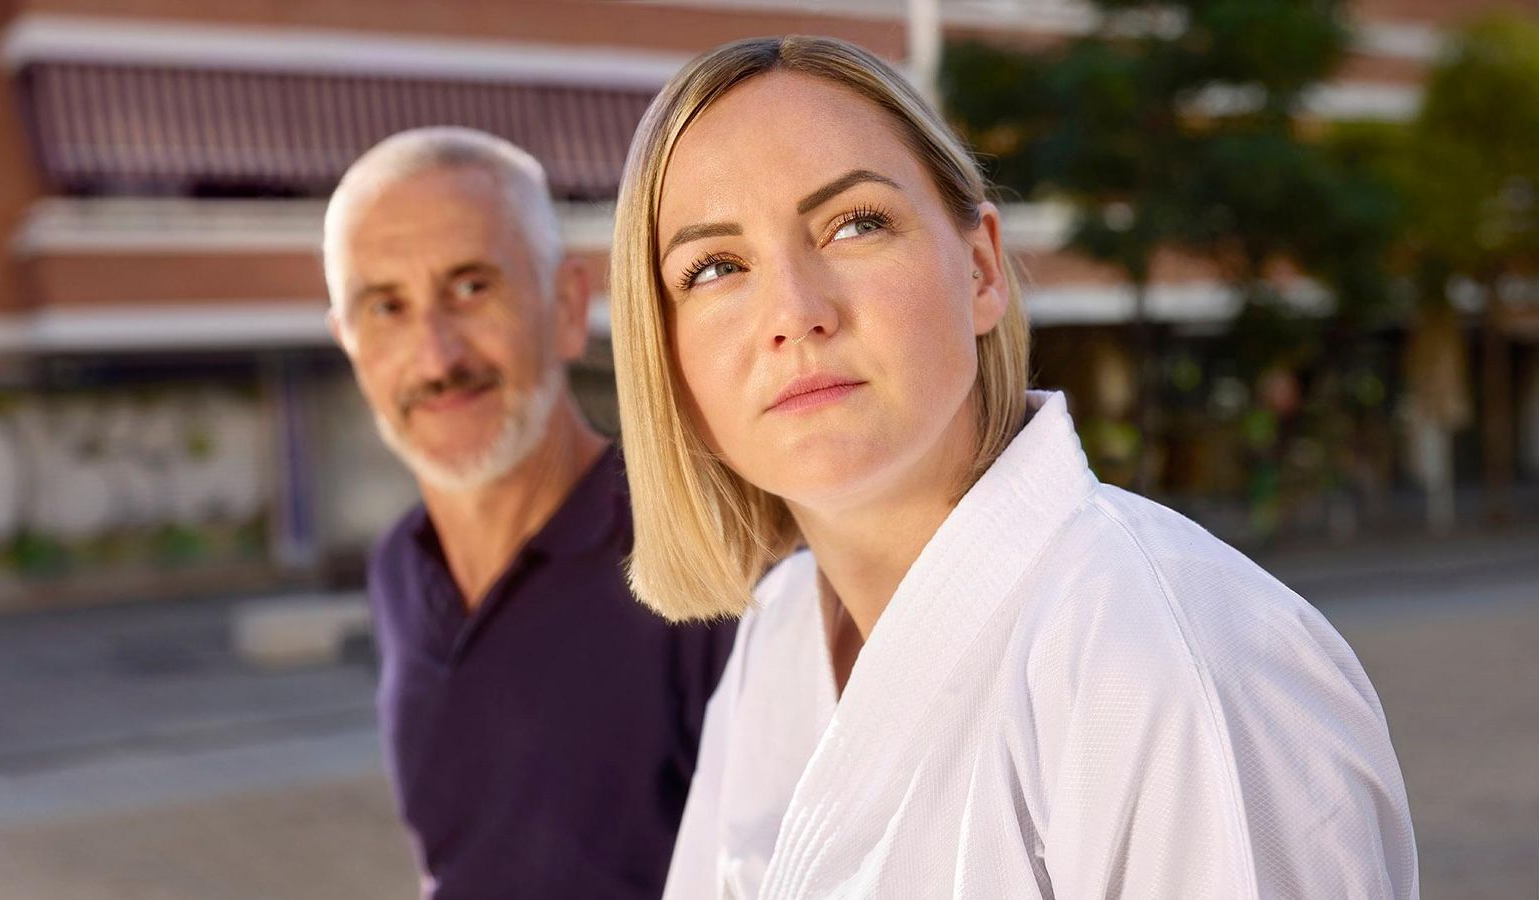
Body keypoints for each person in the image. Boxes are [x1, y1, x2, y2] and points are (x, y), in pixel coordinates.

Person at [608, 36, 1418, 900]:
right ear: (668, 358)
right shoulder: (776, 638)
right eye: (716, 267)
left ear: (982, 268)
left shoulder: (1162, 658)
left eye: (855, 224)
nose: (795, 314)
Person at [324, 127, 734, 900]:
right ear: (348, 341)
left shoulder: (698, 552)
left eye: (472, 288)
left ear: (568, 304)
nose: (437, 356)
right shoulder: (399, 569)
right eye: (386, 307)